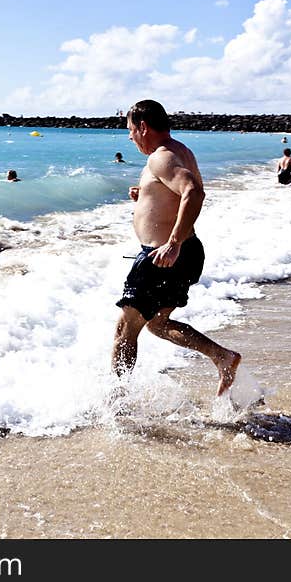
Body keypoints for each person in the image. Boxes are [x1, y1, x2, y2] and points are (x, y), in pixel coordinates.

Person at [113, 99, 241, 396]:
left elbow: (193, 193)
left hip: (163, 256)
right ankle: (223, 357)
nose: (130, 137)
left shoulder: (161, 157)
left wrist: (172, 243)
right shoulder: (180, 151)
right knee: (158, 324)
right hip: (186, 251)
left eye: (131, 130)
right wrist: (145, 195)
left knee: (125, 329)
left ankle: (116, 404)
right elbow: (181, 192)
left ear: (143, 126)